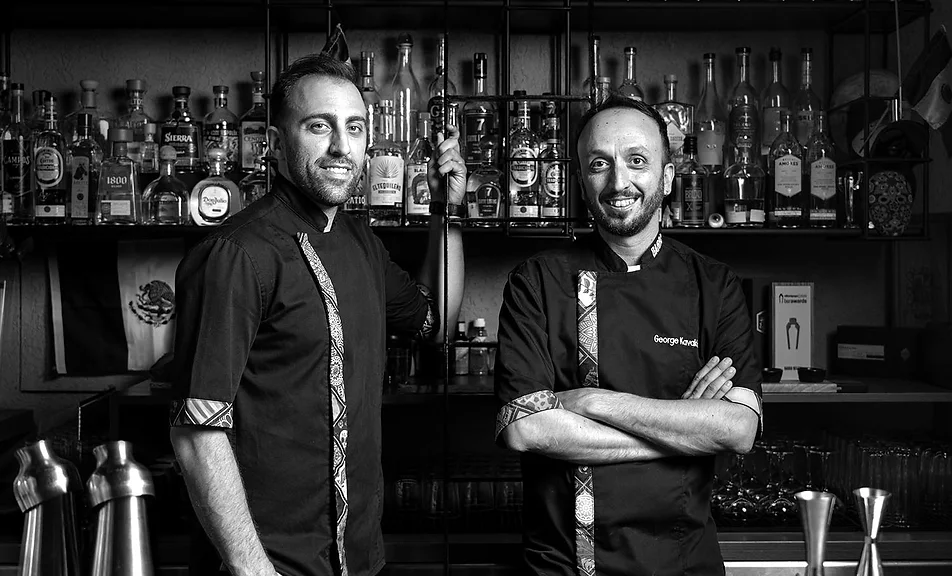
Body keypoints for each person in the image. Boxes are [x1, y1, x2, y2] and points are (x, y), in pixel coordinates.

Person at [168, 52, 467, 576]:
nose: (341, 147)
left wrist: (448, 213)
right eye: (319, 126)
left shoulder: (361, 243)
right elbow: (196, 433)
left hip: (359, 561)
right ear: (275, 143)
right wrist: (252, 568)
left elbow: (435, 320)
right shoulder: (236, 254)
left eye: (354, 127)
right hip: (269, 564)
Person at [493, 95, 763, 576]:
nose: (619, 182)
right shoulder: (535, 282)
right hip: (564, 566)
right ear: (581, 180)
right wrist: (685, 430)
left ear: (667, 176)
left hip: (684, 565)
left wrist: (592, 402)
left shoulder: (715, 285)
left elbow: (738, 430)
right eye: (600, 164)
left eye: (637, 161)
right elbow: (526, 429)